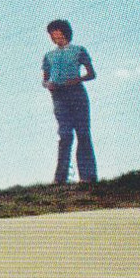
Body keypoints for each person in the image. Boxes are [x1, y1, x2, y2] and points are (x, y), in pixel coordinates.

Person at [41, 18, 97, 183]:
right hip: (58, 95)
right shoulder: (49, 56)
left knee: (83, 133)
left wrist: (77, 79)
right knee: (65, 134)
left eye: (55, 33)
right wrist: (47, 84)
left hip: (76, 93)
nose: (53, 37)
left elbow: (91, 74)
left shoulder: (79, 50)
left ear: (64, 32)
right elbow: (44, 79)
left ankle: (88, 177)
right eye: (51, 35)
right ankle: (60, 178)